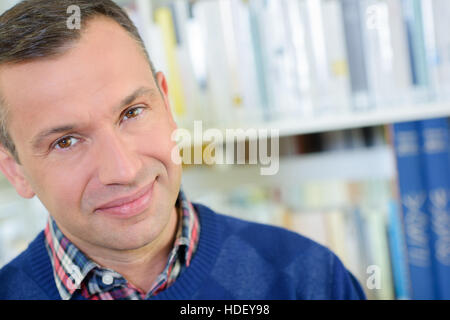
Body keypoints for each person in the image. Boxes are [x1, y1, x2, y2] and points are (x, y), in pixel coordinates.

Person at [0, 0, 365, 300]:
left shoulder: (310, 278)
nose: (123, 170)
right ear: (14, 169)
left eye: (132, 113)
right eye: (65, 141)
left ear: (166, 104)